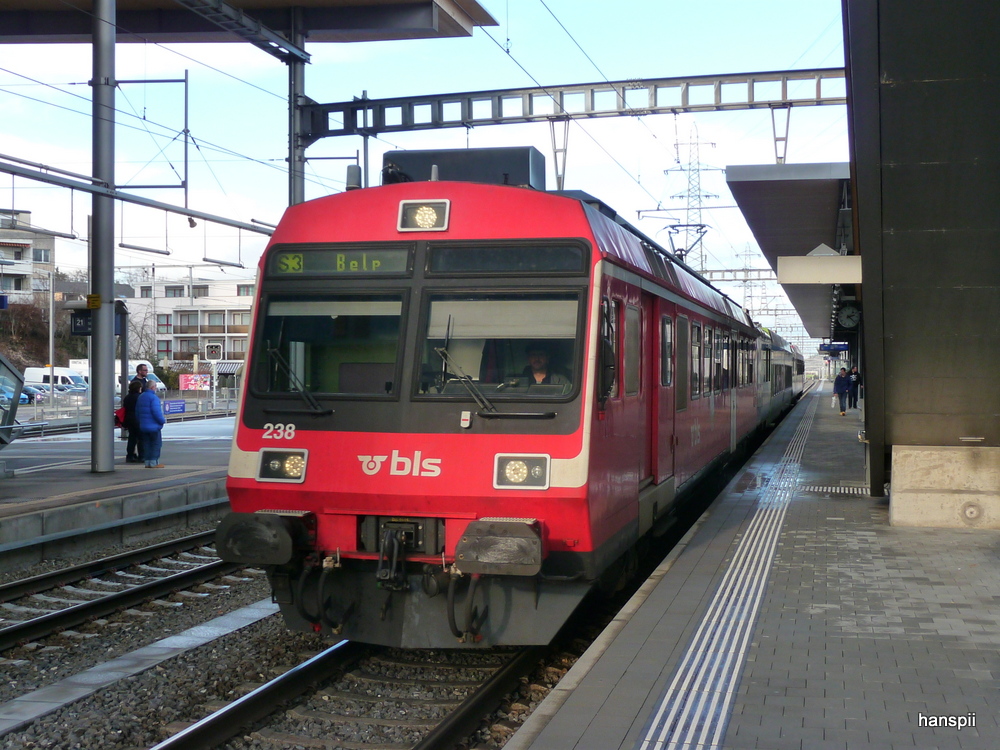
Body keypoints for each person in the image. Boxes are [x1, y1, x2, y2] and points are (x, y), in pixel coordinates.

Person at [136, 379, 165, 468]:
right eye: (155, 387)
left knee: (146, 444)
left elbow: (137, 412)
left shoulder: (141, 397)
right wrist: (162, 421)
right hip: (153, 426)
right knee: (156, 444)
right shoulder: (154, 398)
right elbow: (156, 412)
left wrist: (141, 422)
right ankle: (154, 462)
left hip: (143, 426)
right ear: (153, 387)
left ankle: (147, 462)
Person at [123, 379, 144, 463]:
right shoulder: (139, 397)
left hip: (129, 419)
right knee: (141, 438)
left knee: (132, 438)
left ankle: (130, 455)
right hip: (138, 419)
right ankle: (142, 456)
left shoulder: (127, 397)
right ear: (138, 388)